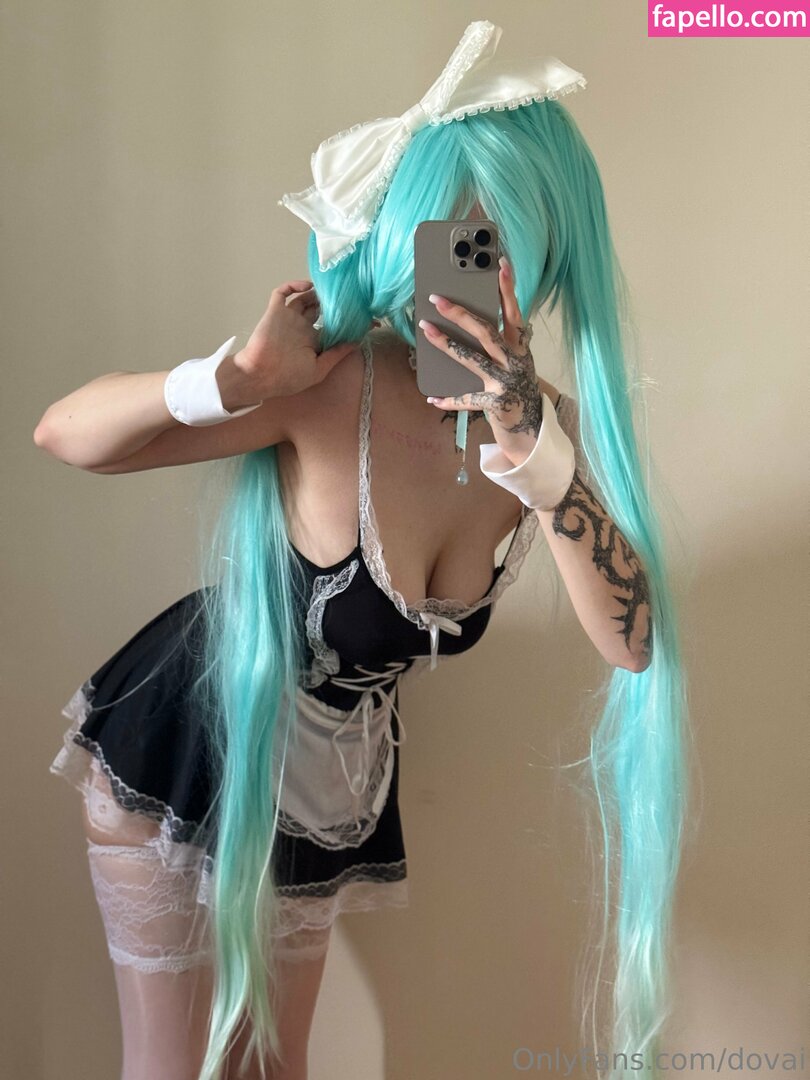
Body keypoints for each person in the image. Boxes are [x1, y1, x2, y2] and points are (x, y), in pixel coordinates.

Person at [36, 20, 688, 1080]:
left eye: (493, 247)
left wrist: (533, 449)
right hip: (185, 741)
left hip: (330, 778)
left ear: (545, 250)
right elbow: (66, 436)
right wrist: (235, 380)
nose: (464, 279)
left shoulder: (542, 436)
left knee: (276, 1063)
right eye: (448, 241)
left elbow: (633, 642)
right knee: (168, 1066)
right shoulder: (335, 383)